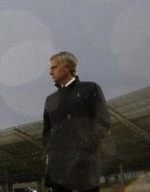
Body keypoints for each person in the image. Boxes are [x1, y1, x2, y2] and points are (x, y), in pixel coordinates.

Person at [42, 51, 110, 192]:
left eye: (54, 68)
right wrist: (50, 154)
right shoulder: (50, 100)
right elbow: (46, 132)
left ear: (67, 67)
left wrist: (84, 149)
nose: (50, 72)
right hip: (58, 168)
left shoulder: (90, 88)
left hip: (84, 165)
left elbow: (103, 121)